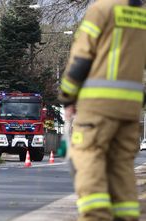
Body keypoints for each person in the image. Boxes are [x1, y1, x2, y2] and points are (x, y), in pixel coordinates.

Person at [58, 0, 146, 221]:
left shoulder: (102, 9)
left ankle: (95, 216)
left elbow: (82, 58)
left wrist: (67, 96)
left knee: (88, 158)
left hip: (97, 106)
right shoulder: (141, 14)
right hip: (130, 110)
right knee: (121, 165)